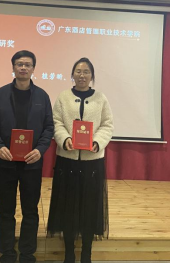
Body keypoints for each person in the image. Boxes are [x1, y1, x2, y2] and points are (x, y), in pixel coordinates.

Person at [0, 50, 54, 263]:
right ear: (13, 67)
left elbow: (48, 128)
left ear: (33, 69)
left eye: (27, 64)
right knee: (6, 210)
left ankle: (27, 254)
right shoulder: (0, 94)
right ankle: (6, 253)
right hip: (5, 163)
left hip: (32, 164)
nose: (23, 68)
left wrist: (40, 150)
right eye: (19, 64)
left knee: (30, 210)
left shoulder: (42, 96)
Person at [47, 57, 114, 264]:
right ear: (72, 74)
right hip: (67, 161)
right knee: (68, 207)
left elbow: (107, 125)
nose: (82, 75)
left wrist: (97, 142)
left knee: (89, 208)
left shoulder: (101, 98)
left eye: (86, 72)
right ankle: (69, 253)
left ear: (92, 76)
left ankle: (86, 253)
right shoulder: (63, 97)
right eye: (78, 71)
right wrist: (64, 139)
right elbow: (56, 122)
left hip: (92, 162)